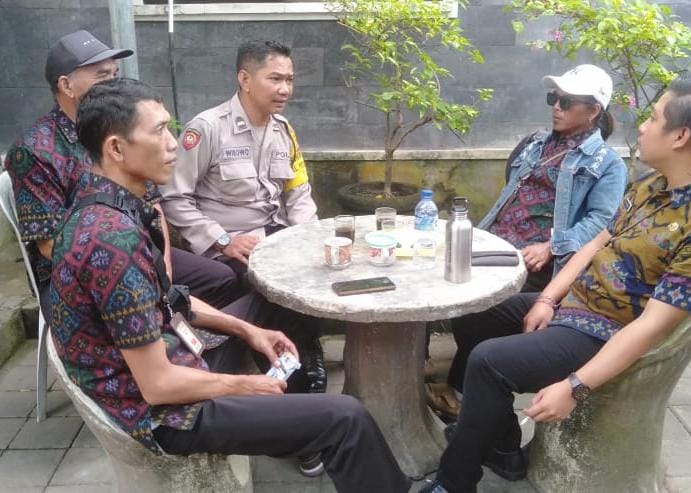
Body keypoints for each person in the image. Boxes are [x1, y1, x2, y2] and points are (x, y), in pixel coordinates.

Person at [50, 77, 411, 493]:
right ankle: (307, 422)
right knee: (346, 419)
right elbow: (158, 385)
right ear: (116, 148)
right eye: (159, 131)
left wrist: (248, 330)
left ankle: (298, 408)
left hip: (176, 353)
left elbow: (170, 300)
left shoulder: (108, 204)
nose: (172, 143)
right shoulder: (111, 239)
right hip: (168, 414)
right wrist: (247, 386)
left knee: (268, 299)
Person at [419, 78, 691, 492]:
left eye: (653, 118)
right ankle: (501, 446)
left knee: (490, 361)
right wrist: (547, 298)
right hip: (575, 306)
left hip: (606, 331)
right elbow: (596, 243)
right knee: (475, 311)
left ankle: (453, 481)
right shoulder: (652, 185)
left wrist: (575, 387)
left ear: (681, 136)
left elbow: (651, 327)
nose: (642, 126)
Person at [427, 64, 627, 420]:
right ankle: (420, 363)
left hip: (541, 260)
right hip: (497, 242)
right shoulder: (535, 143)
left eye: (567, 102)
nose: (556, 107)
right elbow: (510, 192)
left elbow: (601, 222)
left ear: (593, 110)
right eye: (554, 99)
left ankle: (460, 391)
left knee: (475, 307)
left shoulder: (608, 164)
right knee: (433, 271)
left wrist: (552, 245)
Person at [4, 29, 243, 324]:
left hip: (140, 248)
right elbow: (50, 245)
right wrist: (139, 274)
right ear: (66, 85)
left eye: (115, 74)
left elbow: (152, 204)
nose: (114, 83)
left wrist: (163, 266)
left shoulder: (122, 129)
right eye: (103, 75)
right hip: (76, 272)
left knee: (223, 279)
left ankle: (181, 333)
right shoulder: (34, 150)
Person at [160, 40, 326, 393]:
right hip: (229, 244)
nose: (285, 89)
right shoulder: (207, 129)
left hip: (274, 236)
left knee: (317, 273)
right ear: (245, 79)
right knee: (272, 289)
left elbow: (298, 194)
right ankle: (286, 372)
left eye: (289, 79)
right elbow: (174, 198)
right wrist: (222, 240)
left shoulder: (283, 130)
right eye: (275, 79)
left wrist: (310, 237)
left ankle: (306, 351)